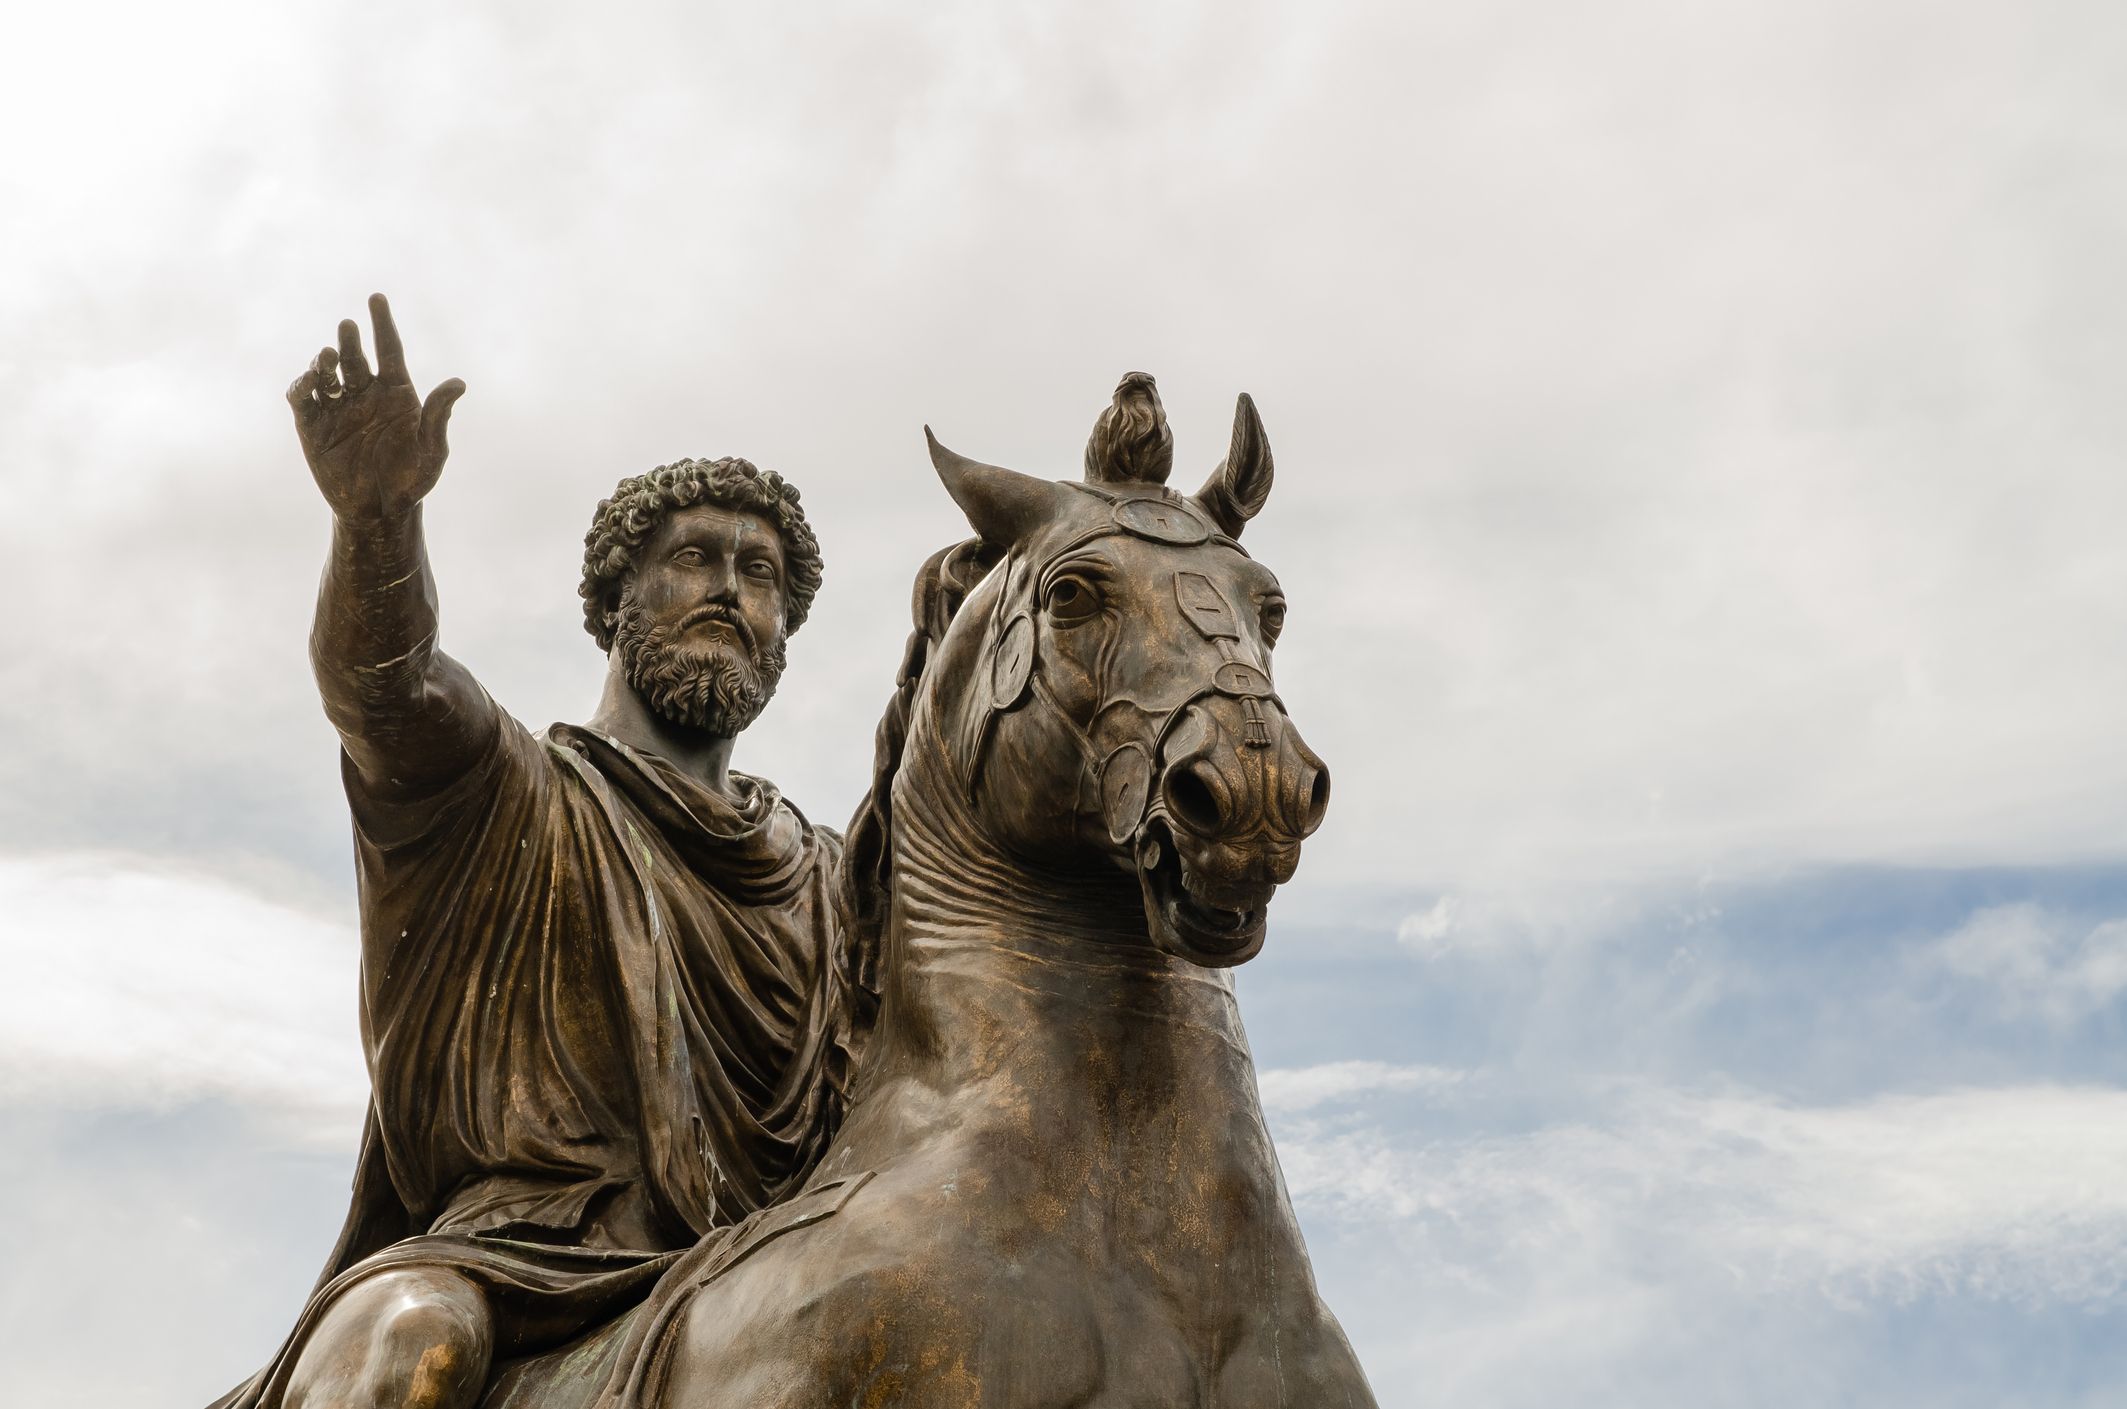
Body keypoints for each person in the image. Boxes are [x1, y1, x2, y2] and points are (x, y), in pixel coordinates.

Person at [214, 295, 850, 1409]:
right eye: (693, 558)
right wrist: (375, 520)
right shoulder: (507, 790)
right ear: (614, 600)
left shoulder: (832, 877)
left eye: (760, 576)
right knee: (412, 1344)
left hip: (775, 1277)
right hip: (518, 1252)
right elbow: (386, 686)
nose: (728, 591)